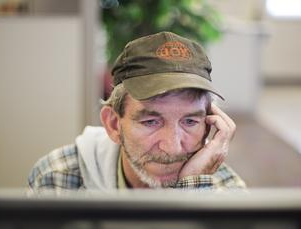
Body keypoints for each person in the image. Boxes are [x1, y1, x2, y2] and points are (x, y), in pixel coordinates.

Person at [28, 31, 246, 191]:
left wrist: (192, 189)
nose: (172, 147)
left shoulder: (226, 191)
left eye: (190, 121)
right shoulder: (55, 180)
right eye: (151, 121)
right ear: (114, 125)